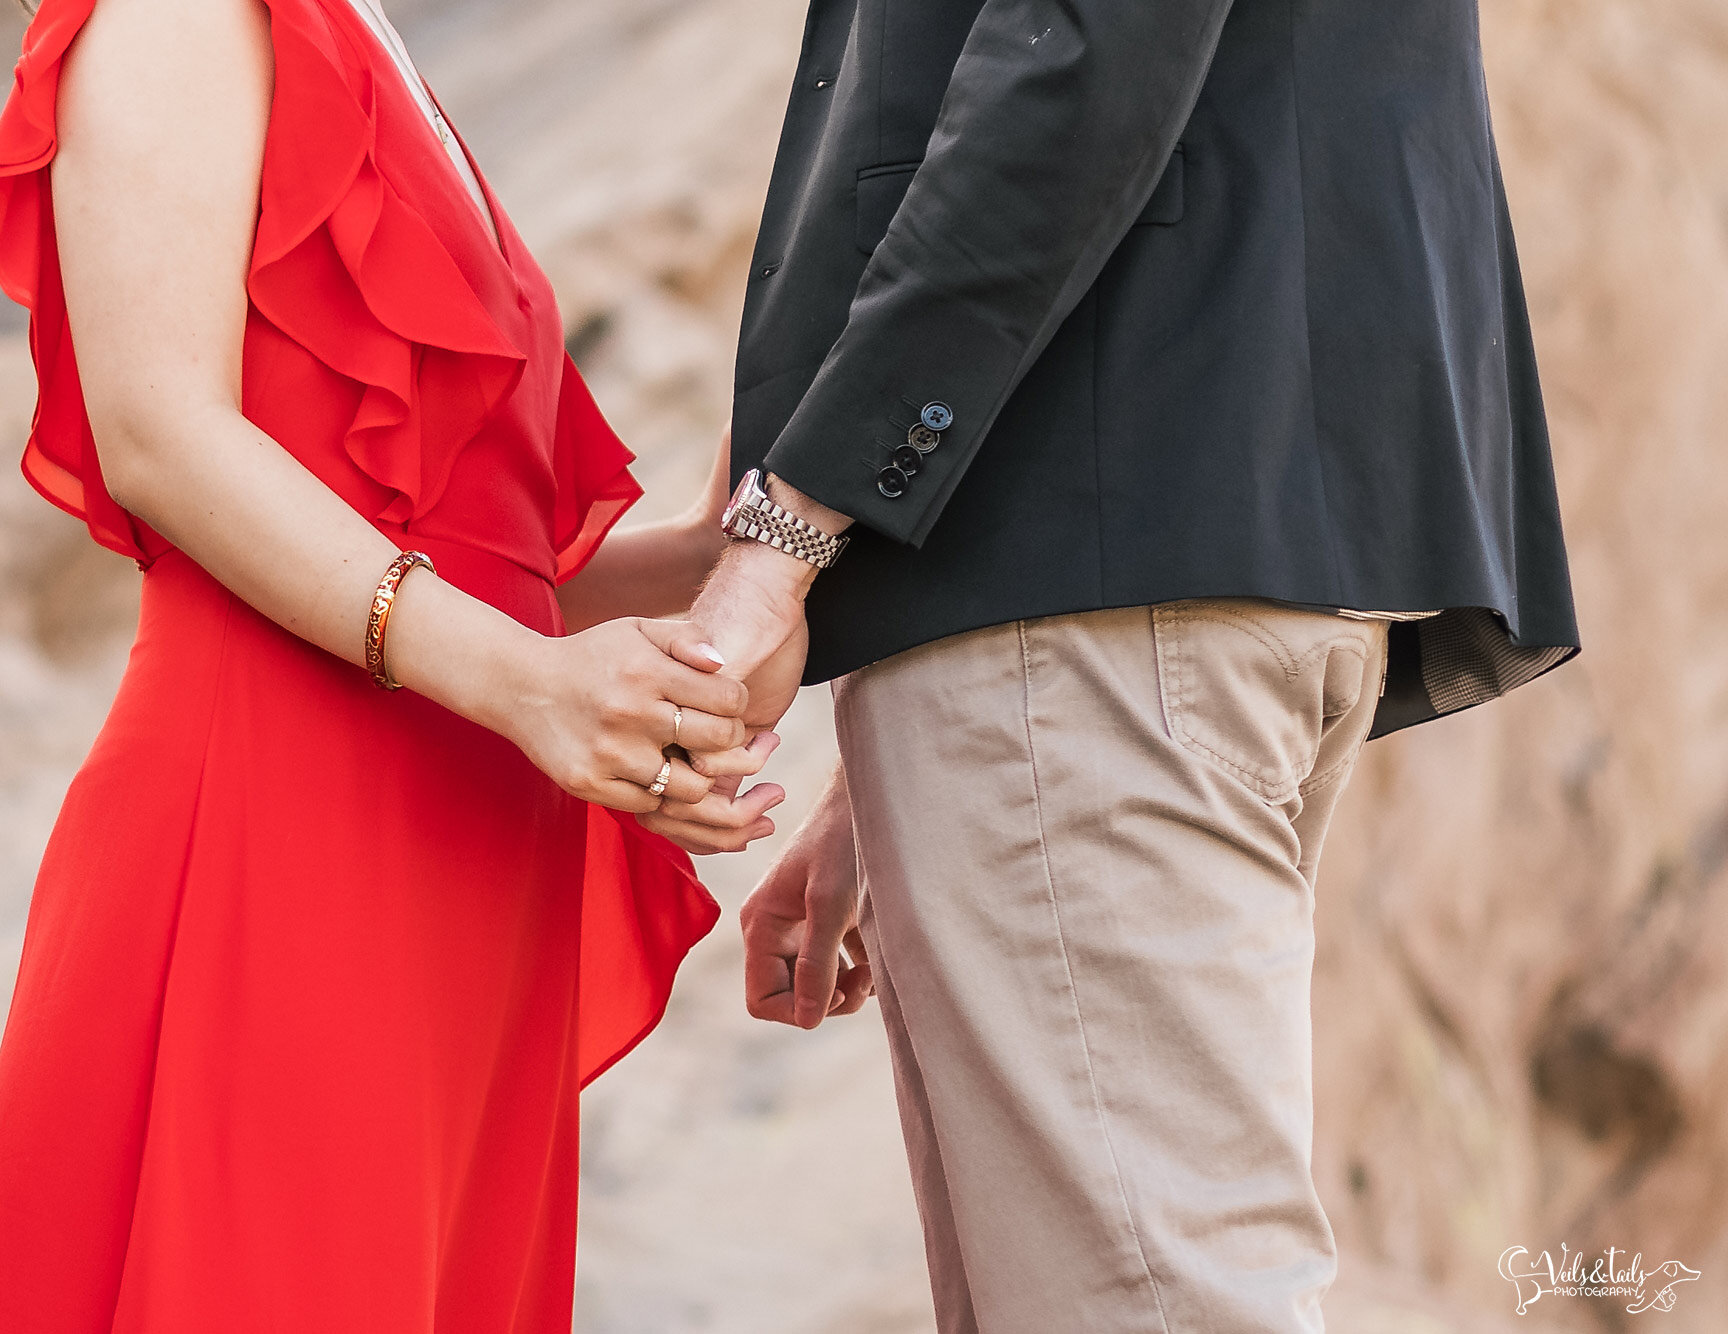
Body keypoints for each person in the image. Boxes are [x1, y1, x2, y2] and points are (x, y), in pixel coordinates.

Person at [654, 0, 1581, 1330]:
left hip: (1093, 588)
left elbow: (1087, 50)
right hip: (1146, 581)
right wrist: (905, 730)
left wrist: (787, 533)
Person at [0, 0, 781, 1327]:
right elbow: (160, 429)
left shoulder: (355, 30)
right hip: (282, 822)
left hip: (462, 859)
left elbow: (475, 563)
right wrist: (526, 683)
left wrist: (733, 555)